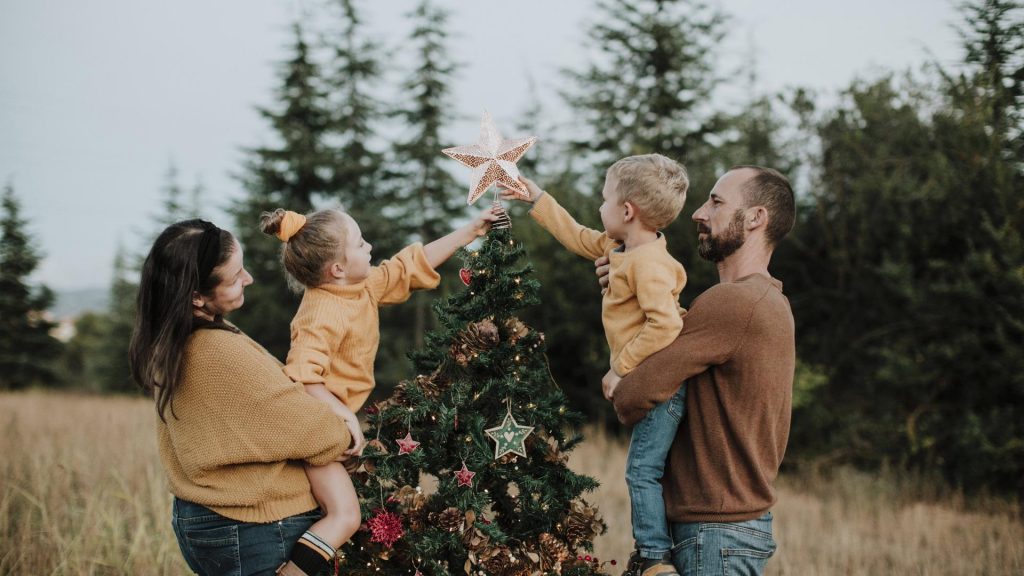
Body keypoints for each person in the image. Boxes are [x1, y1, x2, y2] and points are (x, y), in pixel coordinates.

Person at [258, 206, 496, 576]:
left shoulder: (362, 286)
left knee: (339, 518)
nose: (370, 247)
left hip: (331, 428)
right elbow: (303, 378)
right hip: (313, 431)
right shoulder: (320, 313)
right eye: (360, 242)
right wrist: (345, 416)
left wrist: (470, 231)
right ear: (336, 268)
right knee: (345, 516)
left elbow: (409, 267)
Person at [128, 219, 355, 576]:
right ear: (196, 296)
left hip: (211, 517)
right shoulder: (214, 352)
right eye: (234, 278)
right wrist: (345, 426)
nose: (248, 278)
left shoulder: (172, 341)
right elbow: (322, 435)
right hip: (254, 525)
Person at [601, 166, 796, 576]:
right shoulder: (768, 301)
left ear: (756, 218)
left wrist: (620, 372)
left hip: (715, 535)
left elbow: (633, 395)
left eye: (717, 201)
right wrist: (626, 280)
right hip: (730, 531)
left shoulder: (732, 303)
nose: (698, 212)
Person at [502, 153, 689, 576]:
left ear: (627, 211)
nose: (599, 208)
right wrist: (537, 197)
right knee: (651, 468)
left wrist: (620, 367)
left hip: (662, 388)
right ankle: (657, 549)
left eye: (604, 200)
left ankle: (655, 557)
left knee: (642, 471)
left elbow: (665, 324)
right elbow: (578, 237)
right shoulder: (618, 247)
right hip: (650, 386)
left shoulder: (649, 265)